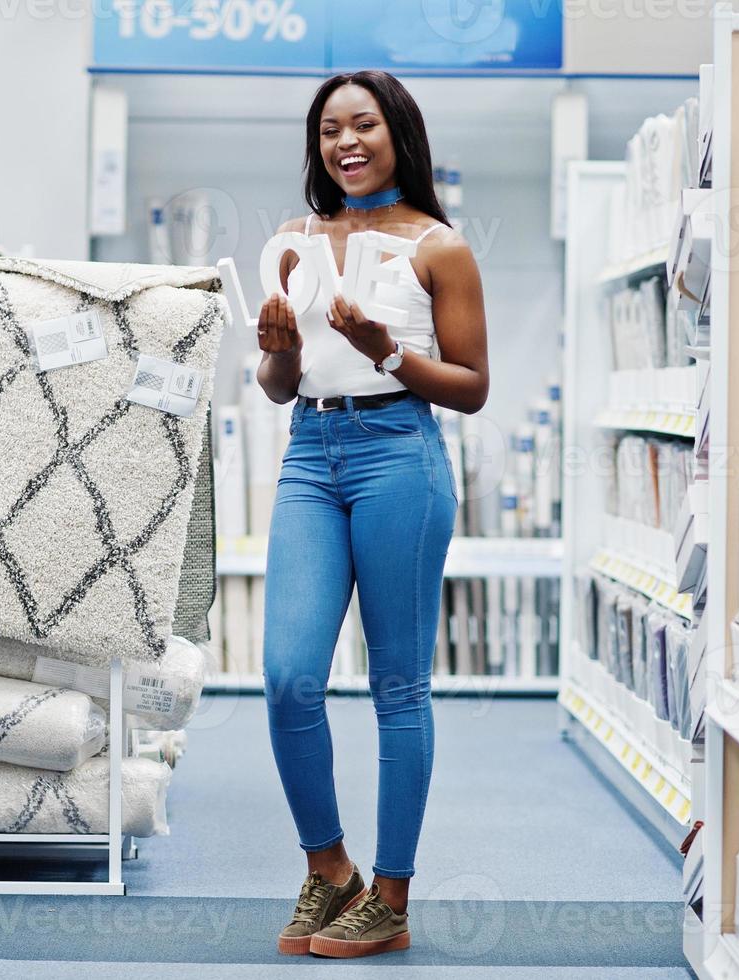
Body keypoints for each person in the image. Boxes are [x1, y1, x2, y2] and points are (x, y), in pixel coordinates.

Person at [255, 69, 490, 959]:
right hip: (311, 456)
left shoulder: (438, 247)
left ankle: (389, 896)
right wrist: (279, 354)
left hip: (401, 456)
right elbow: (281, 388)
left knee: (398, 683)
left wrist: (383, 349)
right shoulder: (290, 239)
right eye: (328, 131)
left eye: (362, 126)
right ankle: (330, 870)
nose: (344, 144)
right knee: (287, 677)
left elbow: (470, 388)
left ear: (397, 132)